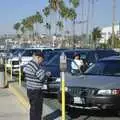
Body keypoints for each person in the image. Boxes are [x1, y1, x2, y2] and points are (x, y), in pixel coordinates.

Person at [23, 51, 50, 120]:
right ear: (38, 57)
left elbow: (25, 71)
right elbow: (42, 77)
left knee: (33, 109)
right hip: (36, 91)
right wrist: (47, 74)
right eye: (42, 59)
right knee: (37, 110)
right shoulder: (36, 66)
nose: (42, 61)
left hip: (30, 90)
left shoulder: (29, 64)